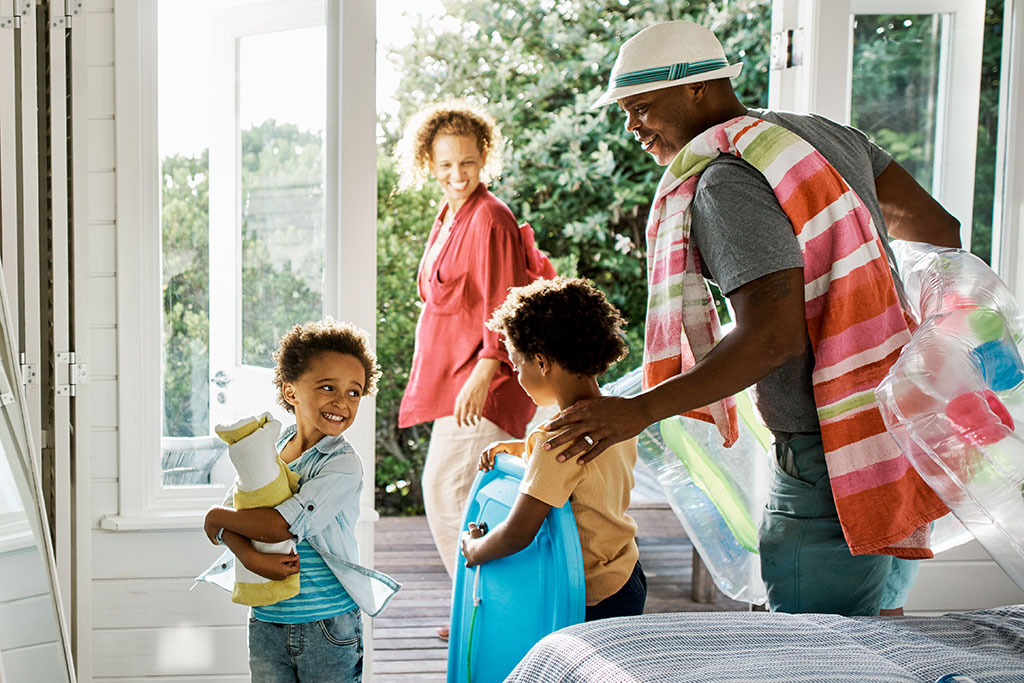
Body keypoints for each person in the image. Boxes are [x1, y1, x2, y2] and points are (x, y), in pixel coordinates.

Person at [543, 20, 962, 617]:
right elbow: (940, 231)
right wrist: (872, 309)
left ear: (695, 89)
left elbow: (772, 337)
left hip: (829, 459)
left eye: (640, 107)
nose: (631, 126)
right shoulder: (822, 138)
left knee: (807, 655)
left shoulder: (728, 180)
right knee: (875, 639)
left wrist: (639, 411)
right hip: (891, 435)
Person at [394, 100, 551, 637]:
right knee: (460, 494)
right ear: (428, 165)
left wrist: (486, 367)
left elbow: (504, 299)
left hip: (484, 380)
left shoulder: (491, 217)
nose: (457, 174)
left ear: (484, 156)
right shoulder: (451, 213)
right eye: (445, 165)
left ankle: (487, 612)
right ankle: (479, 608)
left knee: (445, 490)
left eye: (466, 162)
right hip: (459, 379)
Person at [200, 319, 399, 681]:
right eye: (328, 387)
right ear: (291, 392)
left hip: (327, 626)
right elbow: (237, 512)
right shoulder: (270, 448)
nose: (343, 402)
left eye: (354, 392)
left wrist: (216, 519)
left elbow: (279, 525)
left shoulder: (341, 464)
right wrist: (248, 557)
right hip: (266, 621)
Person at [461, 277, 646, 621]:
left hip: (588, 593)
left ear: (542, 362)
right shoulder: (618, 416)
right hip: (626, 574)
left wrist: (475, 550)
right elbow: (586, 475)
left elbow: (517, 534)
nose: (517, 376)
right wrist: (523, 448)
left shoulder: (557, 441)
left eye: (518, 366)